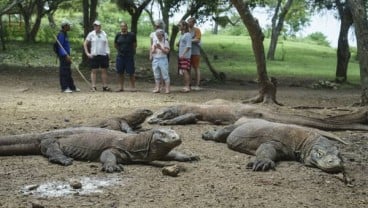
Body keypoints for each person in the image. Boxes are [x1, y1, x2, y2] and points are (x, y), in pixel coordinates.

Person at [83, 20, 111, 92]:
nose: (96, 27)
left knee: (104, 70)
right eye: (95, 25)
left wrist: (108, 53)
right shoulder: (91, 34)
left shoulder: (104, 33)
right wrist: (87, 53)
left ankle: (105, 86)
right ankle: (93, 86)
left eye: (97, 25)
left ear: (100, 26)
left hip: (103, 54)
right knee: (94, 71)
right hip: (94, 55)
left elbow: (106, 44)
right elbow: (85, 43)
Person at [56, 20, 79, 93]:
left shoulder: (65, 34)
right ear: (65, 26)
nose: (69, 27)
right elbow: (60, 47)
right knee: (64, 72)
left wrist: (69, 55)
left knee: (68, 72)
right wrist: (65, 55)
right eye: (68, 25)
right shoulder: (61, 35)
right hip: (64, 56)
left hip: (67, 55)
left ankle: (71, 87)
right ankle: (64, 87)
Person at [114, 22, 137, 92]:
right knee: (120, 72)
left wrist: (131, 51)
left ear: (127, 27)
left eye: (124, 26)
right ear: (120, 27)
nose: (123, 28)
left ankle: (133, 87)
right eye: (122, 26)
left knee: (131, 72)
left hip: (129, 56)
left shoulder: (131, 35)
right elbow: (115, 45)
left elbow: (135, 45)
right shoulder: (118, 35)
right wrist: (120, 50)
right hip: (120, 56)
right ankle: (121, 87)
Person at [150, 29, 170, 93]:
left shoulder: (165, 42)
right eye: (157, 35)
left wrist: (160, 48)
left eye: (159, 35)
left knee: (165, 74)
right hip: (155, 59)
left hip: (163, 59)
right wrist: (154, 48)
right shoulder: (155, 42)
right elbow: (152, 51)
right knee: (156, 74)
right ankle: (157, 88)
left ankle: (167, 89)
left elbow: (167, 52)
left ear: (162, 35)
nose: (158, 36)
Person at [177, 20, 192, 93]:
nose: (178, 27)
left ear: (184, 26)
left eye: (180, 25)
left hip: (185, 56)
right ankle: (186, 85)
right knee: (183, 71)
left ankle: (187, 87)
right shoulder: (182, 35)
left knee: (185, 71)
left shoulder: (188, 35)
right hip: (181, 55)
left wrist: (183, 54)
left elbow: (188, 46)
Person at [188, 17, 202, 90]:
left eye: (190, 22)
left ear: (193, 23)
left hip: (195, 52)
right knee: (188, 68)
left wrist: (189, 40)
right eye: (188, 22)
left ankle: (197, 85)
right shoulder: (186, 30)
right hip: (187, 52)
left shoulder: (197, 30)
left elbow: (197, 39)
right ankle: (188, 84)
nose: (189, 23)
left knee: (196, 68)